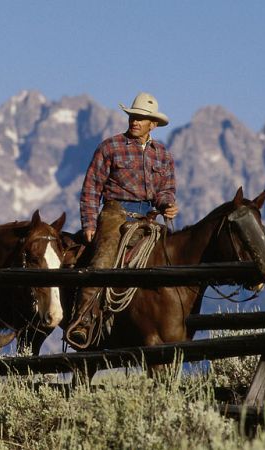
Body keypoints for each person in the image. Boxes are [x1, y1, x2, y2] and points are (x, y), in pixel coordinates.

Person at [69, 92, 178, 345]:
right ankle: (82, 322)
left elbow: (166, 190)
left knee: (170, 259)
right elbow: (91, 187)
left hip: (149, 216)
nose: (135, 121)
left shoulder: (163, 155)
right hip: (115, 214)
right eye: (133, 116)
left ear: (153, 124)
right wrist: (89, 223)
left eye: (141, 118)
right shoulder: (110, 147)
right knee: (103, 261)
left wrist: (167, 205)